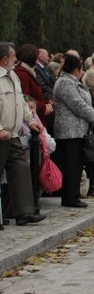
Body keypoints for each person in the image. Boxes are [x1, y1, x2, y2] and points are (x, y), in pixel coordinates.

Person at [0, 42, 46, 226]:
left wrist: (30, 120)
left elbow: (21, 101)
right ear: (4, 59)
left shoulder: (13, 76)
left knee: (20, 169)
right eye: (12, 57)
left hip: (13, 133)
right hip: (2, 134)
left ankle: (24, 212)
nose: (15, 60)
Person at [52, 53, 94, 208]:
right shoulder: (66, 83)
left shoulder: (72, 82)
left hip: (78, 130)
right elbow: (77, 104)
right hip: (69, 131)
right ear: (76, 69)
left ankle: (73, 194)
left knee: (76, 164)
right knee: (71, 165)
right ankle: (69, 197)